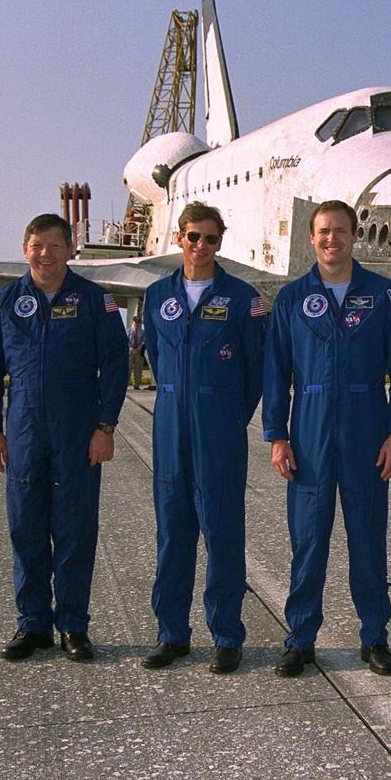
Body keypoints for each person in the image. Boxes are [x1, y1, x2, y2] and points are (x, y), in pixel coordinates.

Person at [263, 199, 391, 678]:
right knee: (308, 540)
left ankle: (375, 637)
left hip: (366, 427)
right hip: (308, 432)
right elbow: (275, 371)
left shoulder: (384, 294)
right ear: (312, 238)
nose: (332, 239)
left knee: (368, 540)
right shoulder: (291, 299)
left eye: (341, 231)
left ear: (355, 236)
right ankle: (300, 638)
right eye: (324, 231)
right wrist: (277, 435)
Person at [0, 213, 128, 663]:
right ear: (26, 249)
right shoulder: (6, 301)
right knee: (26, 528)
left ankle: (74, 627)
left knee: (75, 530)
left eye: (54, 245)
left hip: (78, 434)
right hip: (24, 432)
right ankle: (33, 626)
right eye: (37, 245)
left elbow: (116, 365)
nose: (45, 253)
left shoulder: (94, 300)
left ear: (70, 250)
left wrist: (105, 426)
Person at [141, 202, 267, 673]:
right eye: (193, 236)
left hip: (220, 427)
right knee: (173, 534)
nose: (201, 246)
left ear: (220, 242)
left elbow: (256, 369)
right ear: (180, 238)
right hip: (171, 423)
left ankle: (227, 635)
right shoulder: (157, 296)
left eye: (210, 238)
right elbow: (156, 355)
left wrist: (233, 417)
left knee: (223, 533)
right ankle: (171, 634)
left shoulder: (242, 297)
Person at [128, 316, 147, 389]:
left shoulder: (142, 332)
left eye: (139, 323)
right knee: (128, 368)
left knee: (138, 368)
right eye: (136, 323)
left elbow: (143, 341)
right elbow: (125, 341)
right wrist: (131, 349)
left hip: (139, 352)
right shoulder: (128, 331)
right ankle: (126, 383)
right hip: (129, 352)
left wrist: (138, 349)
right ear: (133, 322)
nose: (138, 325)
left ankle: (136, 385)